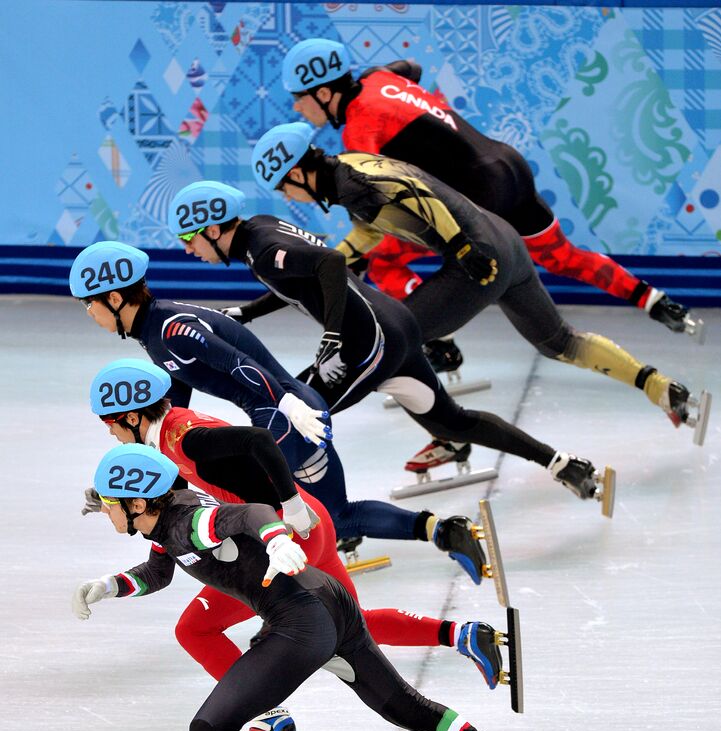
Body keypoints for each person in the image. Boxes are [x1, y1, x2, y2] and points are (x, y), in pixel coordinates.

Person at [72, 443, 571, 731]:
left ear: (139, 502)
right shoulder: (164, 518)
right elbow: (160, 571)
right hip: (329, 600)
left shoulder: (190, 523)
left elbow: (250, 514)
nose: (104, 511)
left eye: (110, 504)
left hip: (299, 619)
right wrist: (109, 586)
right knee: (407, 708)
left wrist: (275, 538)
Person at [251, 122, 710, 470]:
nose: (290, 196)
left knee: (390, 343)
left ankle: (451, 435)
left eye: (284, 186)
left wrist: (462, 246)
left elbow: (416, 193)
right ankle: (659, 386)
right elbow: (374, 226)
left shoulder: (351, 182)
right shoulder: (350, 167)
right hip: (505, 242)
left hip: (478, 258)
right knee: (559, 342)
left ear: (297, 172)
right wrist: (336, 256)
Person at [68, 240, 503, 587]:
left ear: (113, 296)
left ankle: (280, 599)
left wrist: (287, 401)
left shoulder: (169, 328)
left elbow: (239, 364)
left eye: (89, 305)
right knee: (336, 514)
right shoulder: (155, 334)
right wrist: (125, 483)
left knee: (248, 503)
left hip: (283, 416)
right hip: (290, 411)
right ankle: (446, 530)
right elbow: (170, 413)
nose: (89, 316)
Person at [168, 179, 611, 508]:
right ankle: (560, 462)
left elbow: (332, 263)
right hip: (393, 326)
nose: (188, 251)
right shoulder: (260, 233)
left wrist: (334, 333)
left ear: (211, 228)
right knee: (452, 423)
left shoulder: (262, 248)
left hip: (367, 343)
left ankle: (335, 526)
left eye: (189, 240)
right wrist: (247, 313)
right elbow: (297, 282)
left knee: (287, 421)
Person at [84, 357, 507, 689]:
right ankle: (464, 634)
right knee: (352, 623)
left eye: (111, 424)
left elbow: (259, 439)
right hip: (308, 524)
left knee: (196, 629)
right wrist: (109, 494)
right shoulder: (168, 437)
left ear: (134, 417)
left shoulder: (186, 437)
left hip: (285, 535)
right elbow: (172, 482)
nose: (110, 434)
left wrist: (288, 503)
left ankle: (267, 718)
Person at [281, 37, 700, 339]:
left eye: (299, 99)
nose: (297, 108)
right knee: (563, 257)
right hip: (509, 166)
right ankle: (656, 300)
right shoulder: (377, 77)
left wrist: (350, 256)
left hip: (480, 193)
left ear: (322, 92)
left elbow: (371, 207)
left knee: (385, 261)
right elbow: (411, 68)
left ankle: (434, 345)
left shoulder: (360, 129)